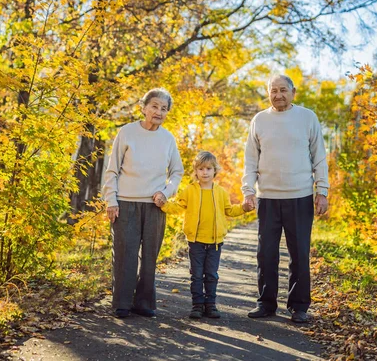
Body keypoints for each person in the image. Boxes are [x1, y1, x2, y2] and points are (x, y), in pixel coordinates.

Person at [242, 74, 329, 323]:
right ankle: (266, 303)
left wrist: (321, 191)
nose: (278, 95)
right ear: (268, 93)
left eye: (283, 90)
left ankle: (299, 306)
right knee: (265, 253)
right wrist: (248, 190)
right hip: (268, 197)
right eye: (273, 90)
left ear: (293, 92)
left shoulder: (307, 117)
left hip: (300, 196)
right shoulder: (259, 120)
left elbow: (319, 157)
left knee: (299, 253)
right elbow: (250, 159)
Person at [102, 87, 184, 318]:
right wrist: (111, 200)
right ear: (144, 107)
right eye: (155, 106)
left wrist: (166, 192)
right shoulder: (127, 133)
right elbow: (112, 170)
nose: (159, 111)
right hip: (125, 203)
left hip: (154, 206)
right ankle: (121, 304)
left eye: (164, 108)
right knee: (125, 254)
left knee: (150, 256)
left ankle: (144, 302)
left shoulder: (168, 139)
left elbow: (177, 172)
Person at [161, 151, 251, 319]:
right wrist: (164, 205)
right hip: (195, 241)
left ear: (214, 171)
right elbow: (178, 207)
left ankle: (210, 305)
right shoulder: (190, 191)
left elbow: (229, 210)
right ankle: (197, 305)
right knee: (196, 275)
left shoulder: (221, 192)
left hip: (215, 242)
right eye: (201, 169)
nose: (205, 172)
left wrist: (244, 208)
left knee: (211, 275)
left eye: (209, 168)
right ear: (196, 171)